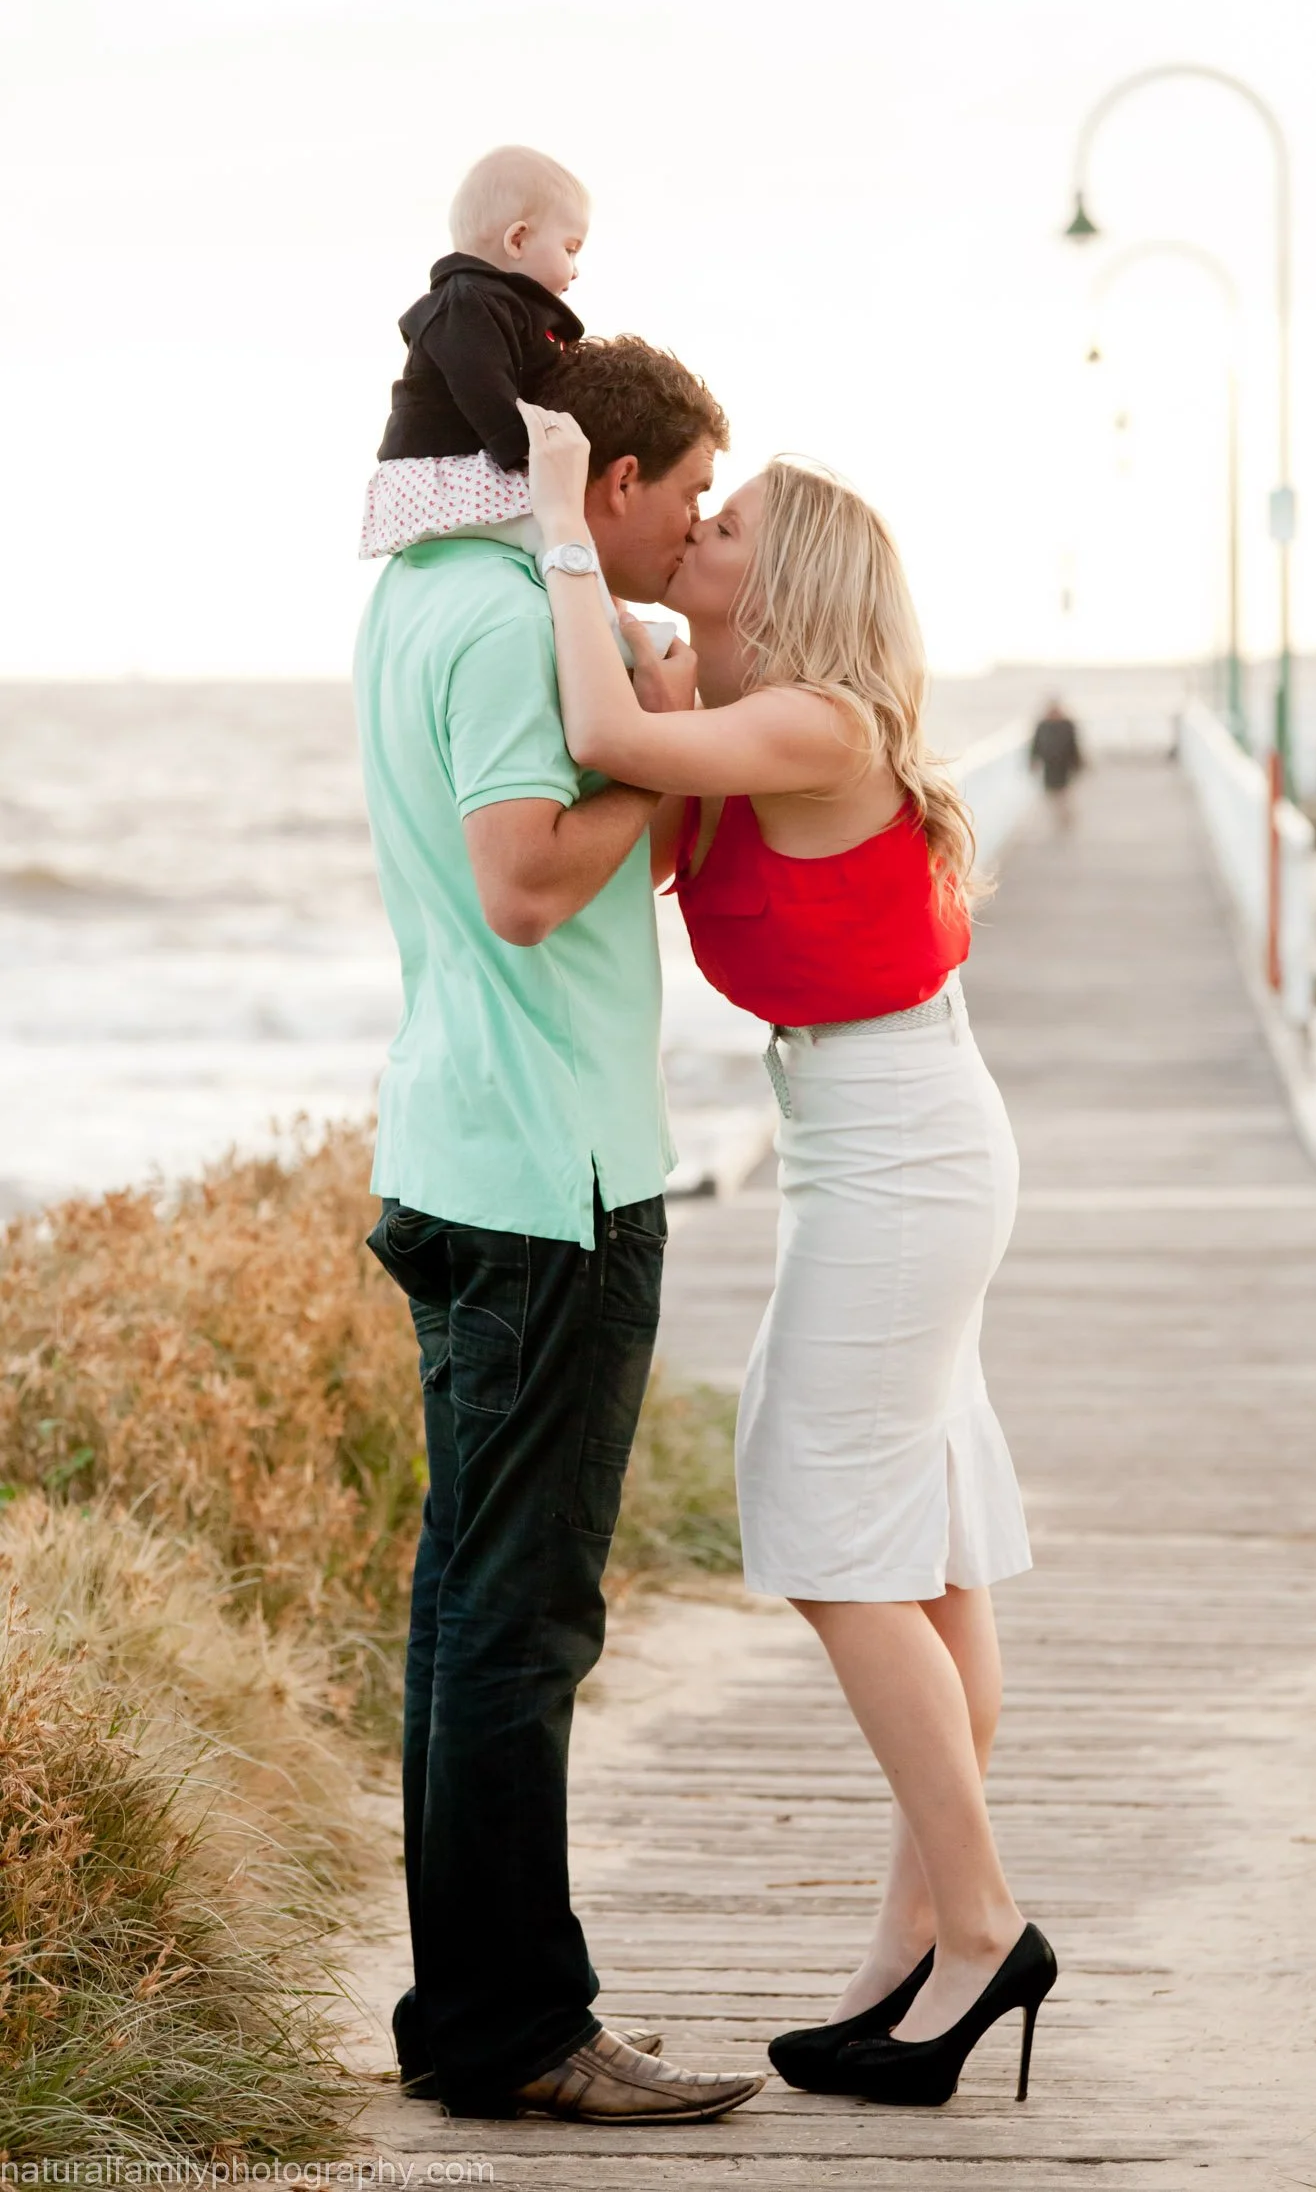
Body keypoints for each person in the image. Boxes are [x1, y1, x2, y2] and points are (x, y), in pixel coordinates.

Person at [519, 403, 1058, 2113]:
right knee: (927, 1541)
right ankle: (918, 1948)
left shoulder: (819, 725)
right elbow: (643, 793)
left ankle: (979, 1923)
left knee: (829, 1523)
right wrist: (664, 660)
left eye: (727, 524)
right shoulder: (756, 723)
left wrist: (553, 524)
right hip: (878, 1142)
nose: (701, 534)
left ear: (792, 571)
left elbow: (597, 724)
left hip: (897, 1150)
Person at [355, 336, 764, 2125]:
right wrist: (673, 762)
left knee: (466, 1614)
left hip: (457, 1147)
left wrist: (654, 744)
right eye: (684, 499)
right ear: (613, 486)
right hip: (550, 1186)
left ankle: (467, 2018)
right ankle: (523, 2028)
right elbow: (531, 883)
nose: (692, 530)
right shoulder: (525, 620)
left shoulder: (416, 594)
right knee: (520, 1628)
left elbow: (575, 865)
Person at [359, 145, 589, 562]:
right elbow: (480, 382)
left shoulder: (502, 304)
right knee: (563, 532)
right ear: (517, 239)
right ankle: (605, 623)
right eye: (570, 249)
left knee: (572, 520)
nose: (576, 269)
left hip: (469, 470)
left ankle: (600, 614)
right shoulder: (465, 302)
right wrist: (527, 450)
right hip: (443, 476)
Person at [1028, 695, 1085, 829]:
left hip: (1064, 766)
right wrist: (1033, 761)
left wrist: (1078, 763)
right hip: (1049, 765)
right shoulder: (1042, 726)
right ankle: (1058, 818)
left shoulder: (1067, 725)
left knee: (1064, 793)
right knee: (1051, 793)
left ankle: (1066, 818)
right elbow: (1035, 745)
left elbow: (1074, 745)